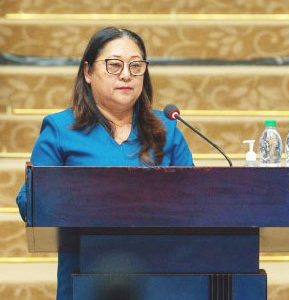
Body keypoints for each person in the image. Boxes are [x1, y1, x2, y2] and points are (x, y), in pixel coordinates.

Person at [16, 27, 193, 300]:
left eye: (136, 66)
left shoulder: (167, 130)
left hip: (162, 274)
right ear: (87, 72)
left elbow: (198, 202)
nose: (126, 75)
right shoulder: (60, 129)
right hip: (85, 274)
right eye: (114, 65)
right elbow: (32, 204)